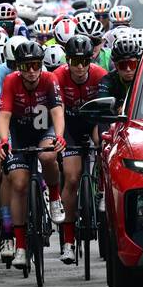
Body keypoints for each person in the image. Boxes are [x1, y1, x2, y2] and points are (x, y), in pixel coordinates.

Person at [0, 39, 66, 271]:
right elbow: (3, 116)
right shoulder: (10, 81)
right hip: (19, 132)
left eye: (36, 65)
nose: (32, 71)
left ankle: (54, 196)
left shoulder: (50, 79)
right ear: (19, 68)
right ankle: (21, 246)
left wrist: (60, 136)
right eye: (26, 66)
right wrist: (3, 140)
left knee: (47, 156)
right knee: (19, 183)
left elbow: (57, 112)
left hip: (44, 130)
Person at [52, 34, 108, 266]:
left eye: (84, 61)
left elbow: (105, 111)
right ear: (67, 60)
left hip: (92, 122)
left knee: (104, 142)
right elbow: (57, 110)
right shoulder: (57, 76)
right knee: (72, 178)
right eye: (75, 61)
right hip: (69, 126)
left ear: (90, 59)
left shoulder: (100, 74)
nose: (80, 67)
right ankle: (68, 241)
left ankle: (102, 189)